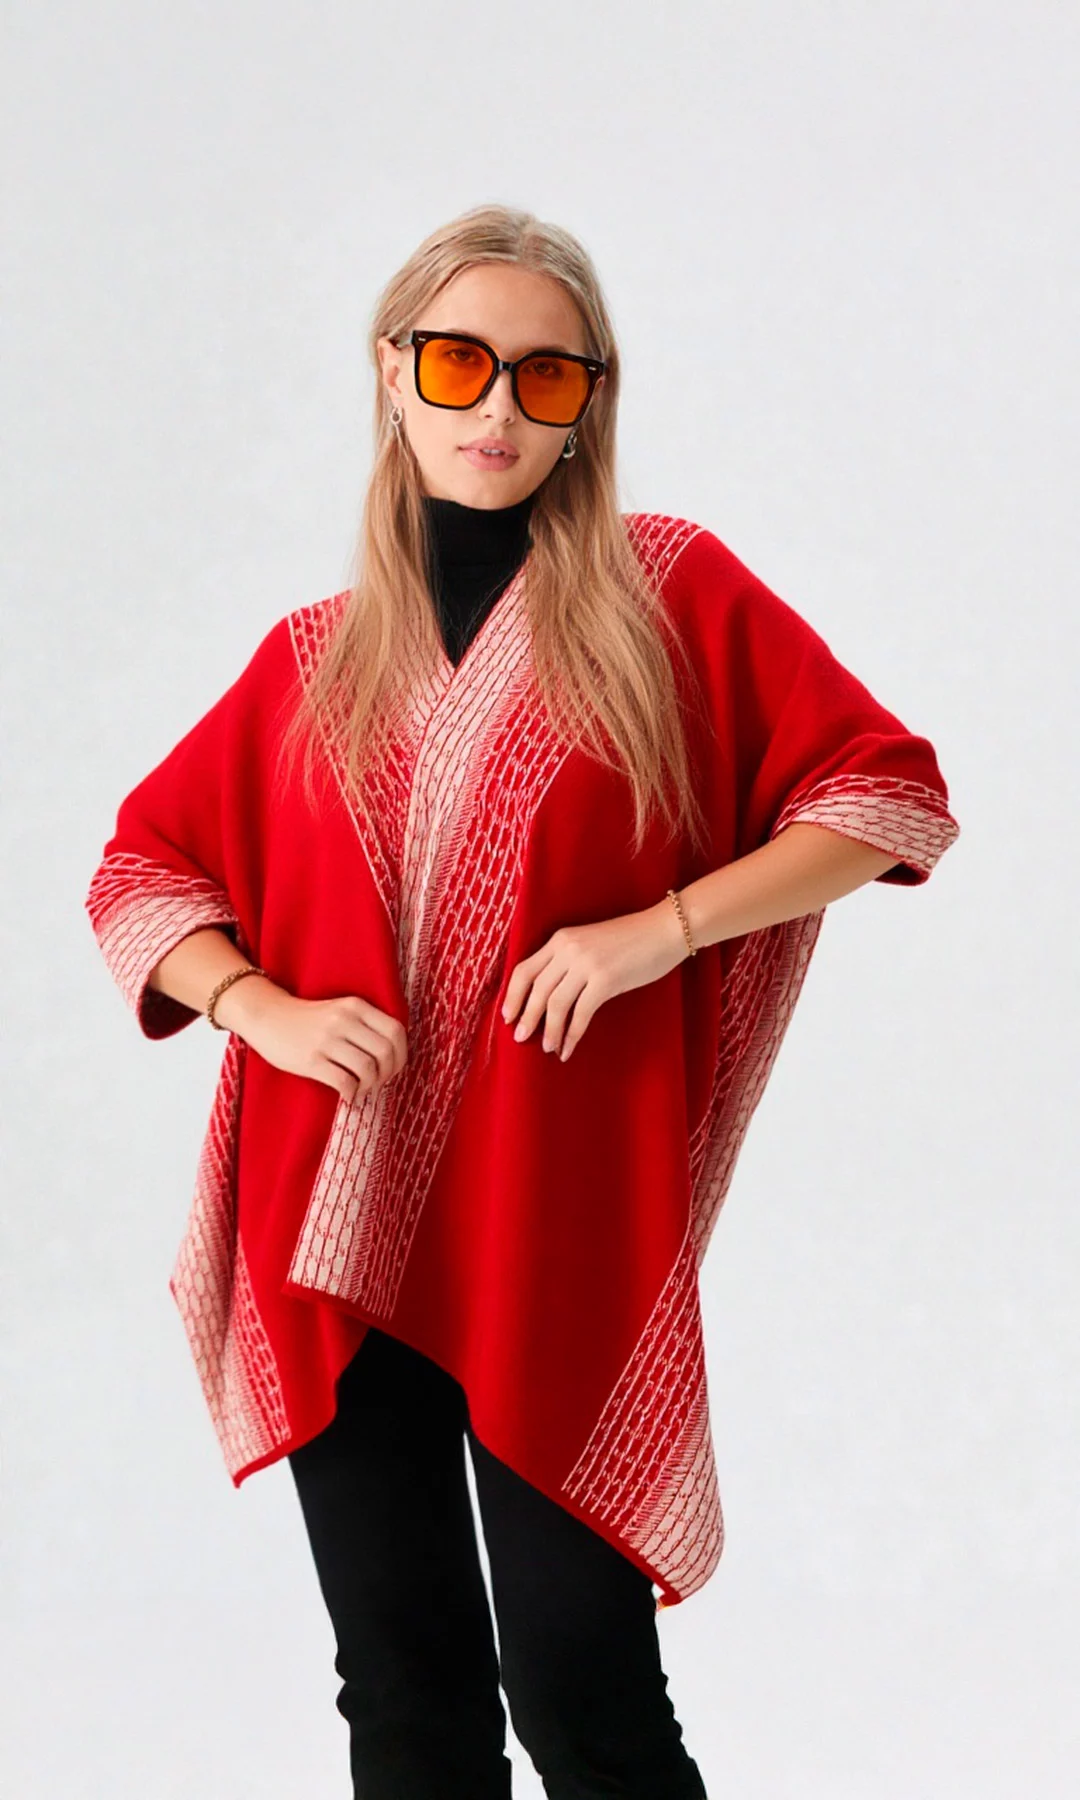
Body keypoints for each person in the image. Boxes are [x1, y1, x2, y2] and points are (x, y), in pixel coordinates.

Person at [83, 202, 960, 1798]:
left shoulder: (666, 596)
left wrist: (661, 931)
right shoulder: (311, 661)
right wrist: (260, 1009)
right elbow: (142, 872)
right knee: (405, 1691)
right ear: (392, 372)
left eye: (546, 376)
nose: (497, 406)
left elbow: (885, 795)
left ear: (587, 405)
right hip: (328, 1223)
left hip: (552, 1223)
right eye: (459, 363)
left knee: (583, 1690)